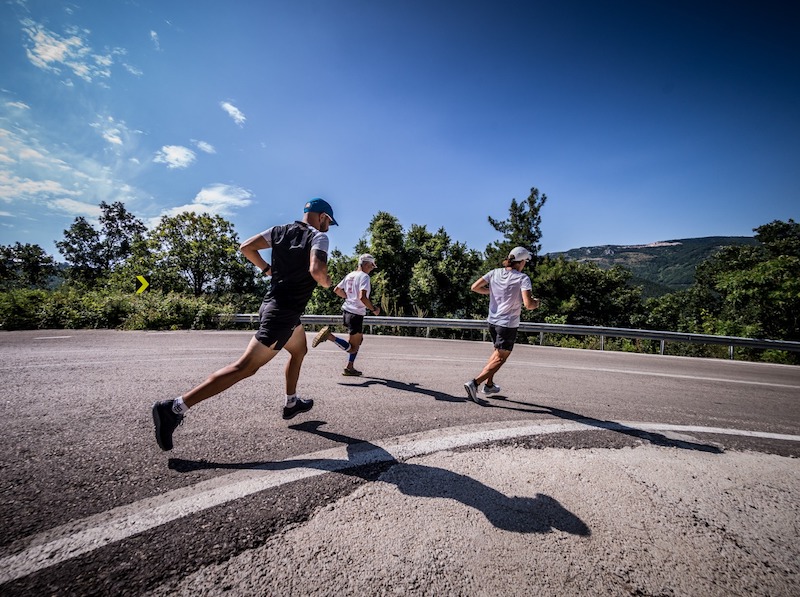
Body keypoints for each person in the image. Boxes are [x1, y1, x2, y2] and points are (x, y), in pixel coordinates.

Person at [151, 198, 338, 451]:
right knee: (244, 367)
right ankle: (173, 408)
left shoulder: (278, 231)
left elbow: (246, 247)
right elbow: (317, 271)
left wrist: (266, 269)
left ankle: (292, 403)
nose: (329, 227)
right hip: (281, 315)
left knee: (299, 350)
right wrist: (326, 282)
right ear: (323, 217)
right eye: (329, 222)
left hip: (280, 309)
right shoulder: (318, 237)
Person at [464, 246, 540, 404]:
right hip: (507, 324)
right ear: (521, 262)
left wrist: (492, 291)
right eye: (525, 261)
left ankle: (489, 385)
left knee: (496, 353)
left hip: (492, 321)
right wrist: (537, 303)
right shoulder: (522, 278)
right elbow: (528, 304)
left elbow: (474, 287)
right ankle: (474, 383)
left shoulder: (494, 272)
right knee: (500, 358)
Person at [311, 254, 380, 376]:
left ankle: (349, 367)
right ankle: (329, 336)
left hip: (347, 312)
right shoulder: (364, 277)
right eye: (371, 266)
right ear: (366, 264)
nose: (371, 269)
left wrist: (349, 298)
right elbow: (362, 297)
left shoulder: (350, 275)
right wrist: (374, 309)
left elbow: (337, 289)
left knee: (359, 340)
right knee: (353, 347)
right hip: (356, 315)